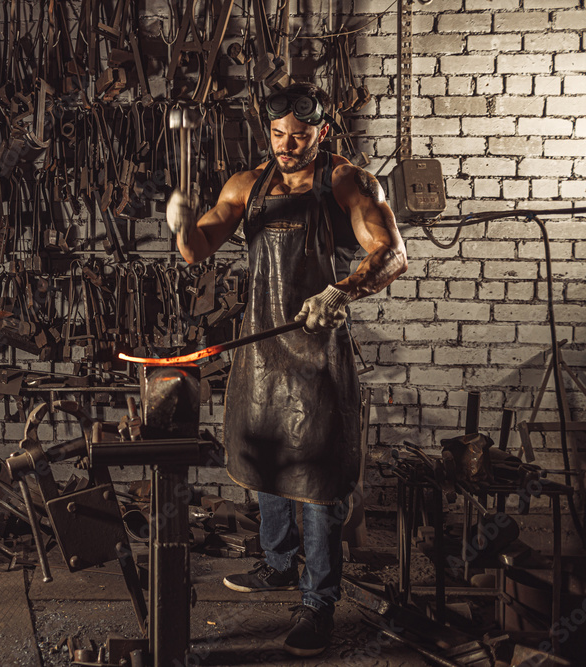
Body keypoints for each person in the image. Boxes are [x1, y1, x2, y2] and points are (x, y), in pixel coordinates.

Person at [165, 82, 407, 656]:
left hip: (319, 354)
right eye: (277, 135)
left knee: (318, 483)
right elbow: (196, 251)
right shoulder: (246, 185)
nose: (286, 145)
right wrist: (181, 224)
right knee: (265, 461)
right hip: (263, 349)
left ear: (322, 131)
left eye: (299, 136)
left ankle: (318, 603)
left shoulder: (348, 183)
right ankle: (277, 564)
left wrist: (343, 290)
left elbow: (393, 253)